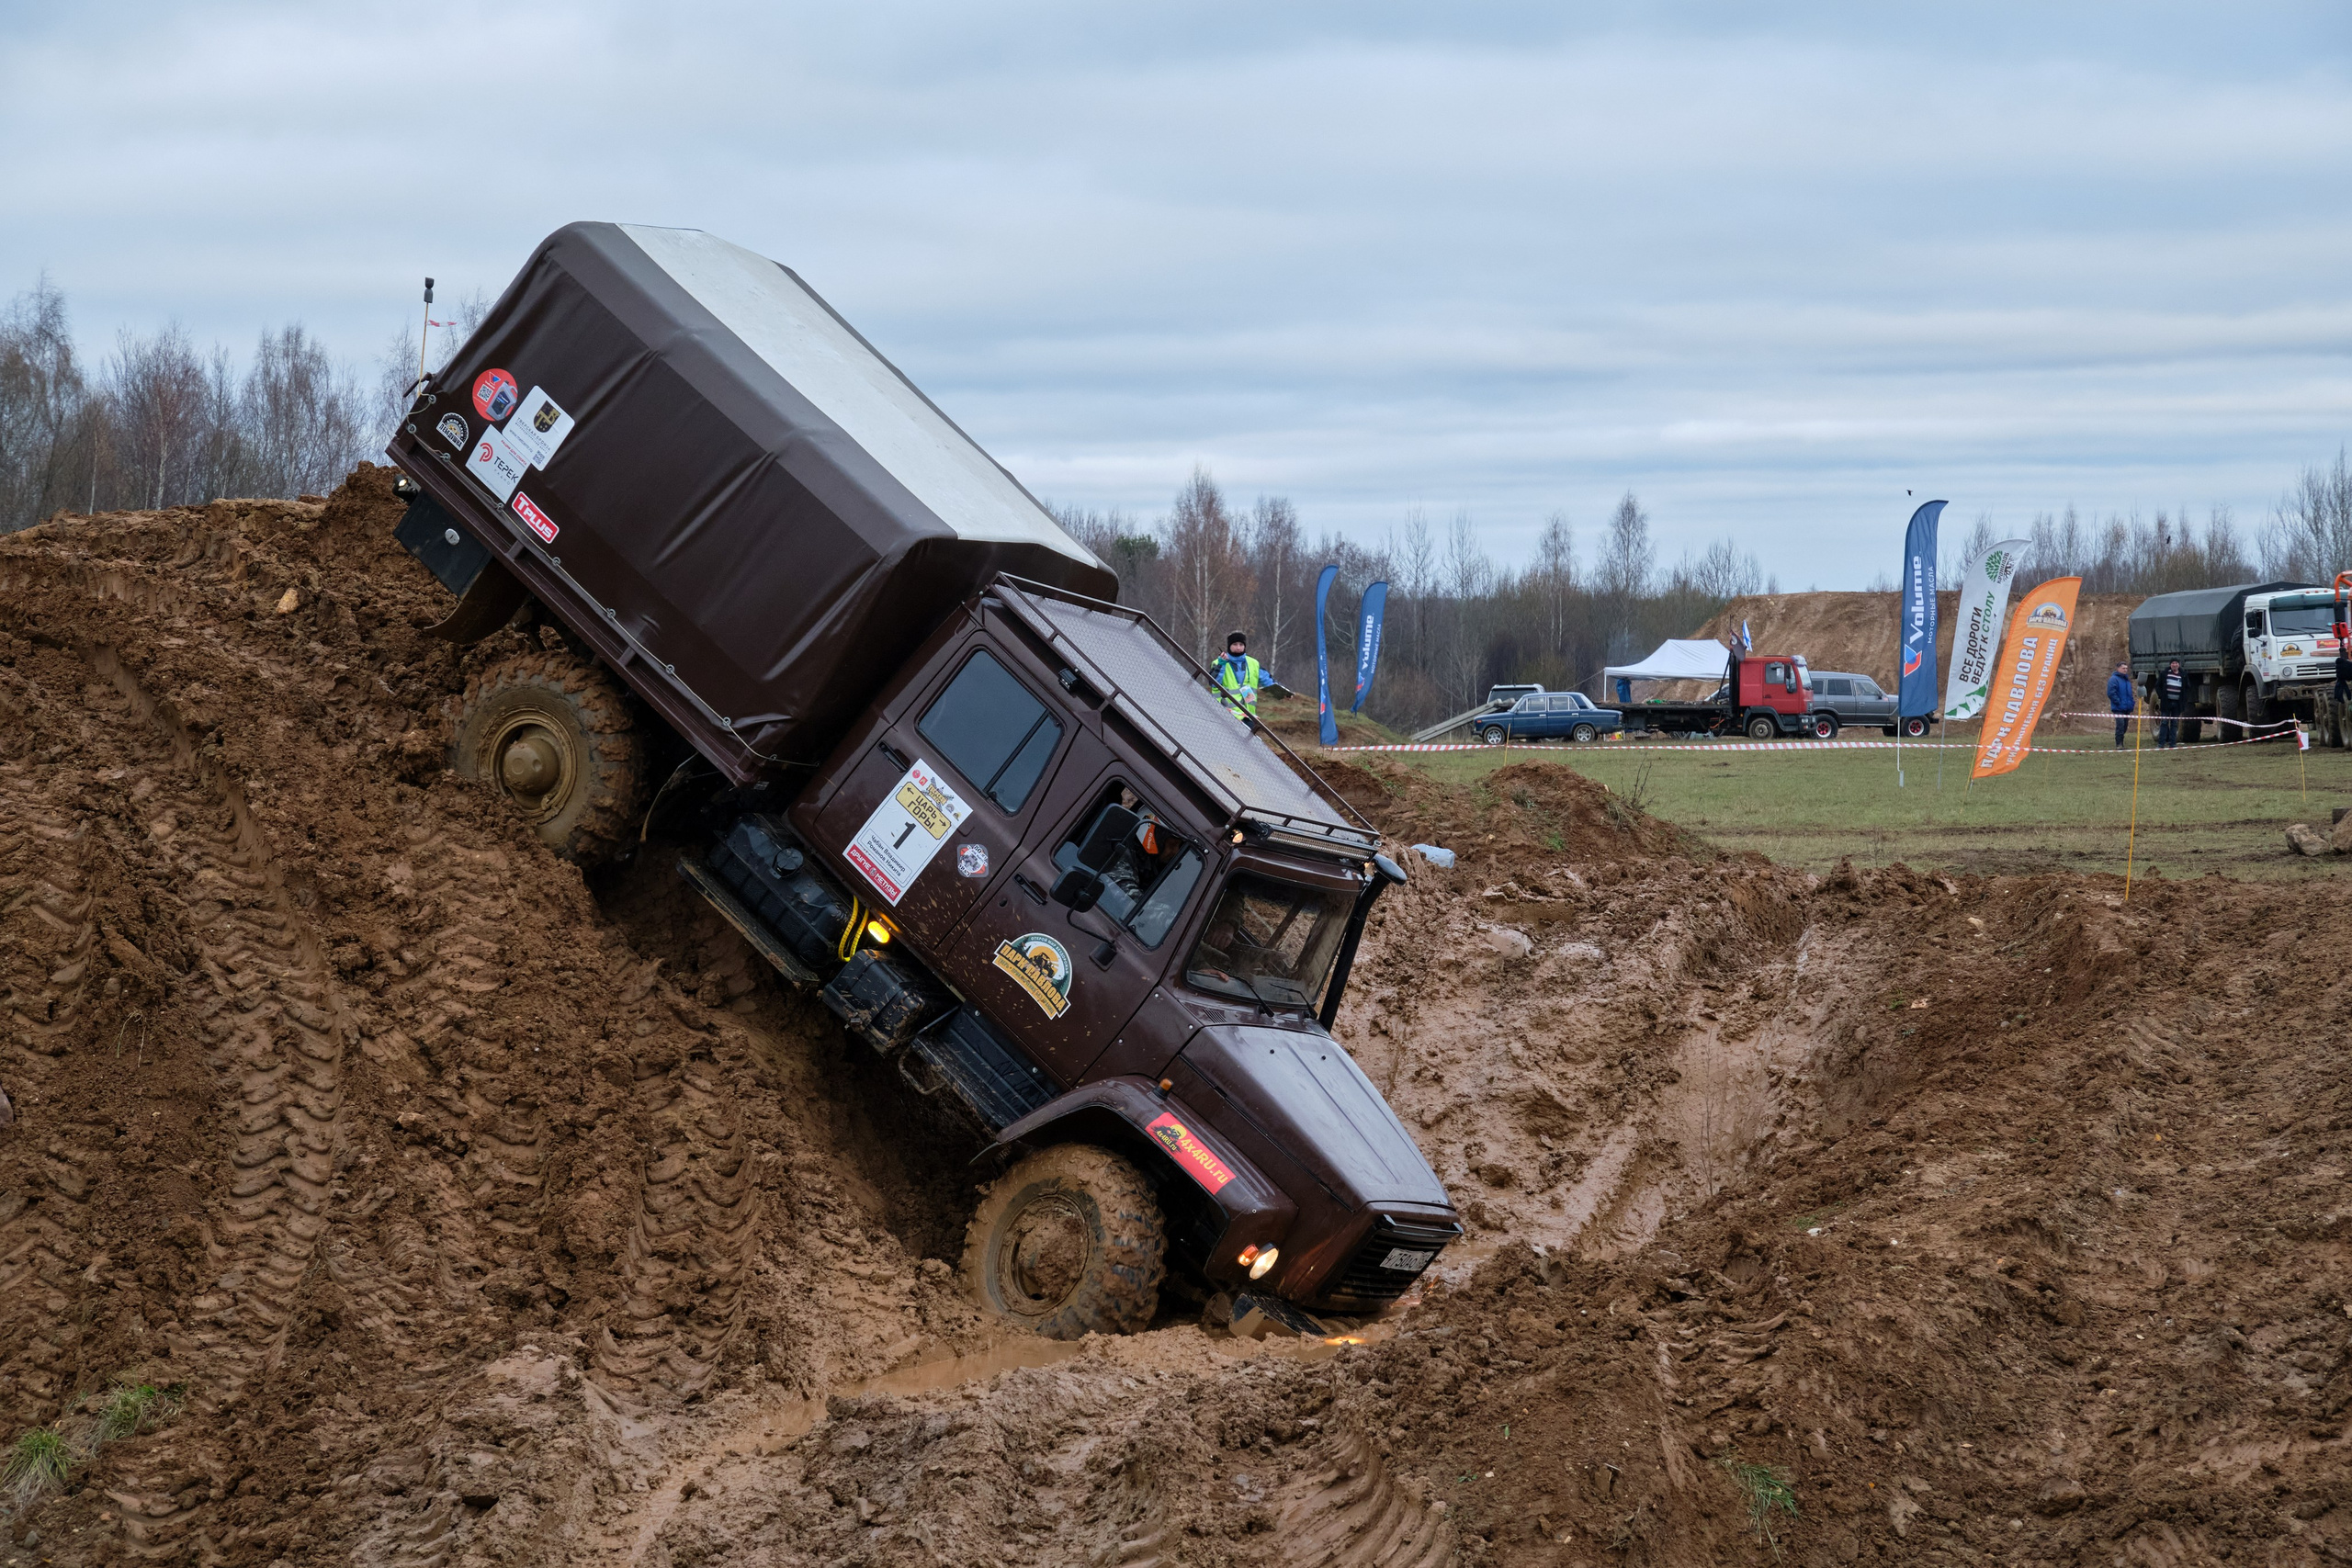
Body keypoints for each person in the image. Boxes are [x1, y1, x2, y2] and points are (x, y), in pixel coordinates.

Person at [1212, 631, 1273, 720]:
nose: (1238, 647)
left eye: (1241, 644)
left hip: (1248, 715)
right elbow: (1213, 683)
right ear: (1229, 646)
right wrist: (1222, 665)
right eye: (1235, 644)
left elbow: (1268, 682)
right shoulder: (1218, 663)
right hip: (1225, 714)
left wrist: (1283, 694)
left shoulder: (1254, 663)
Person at [2155, 659, 2188, 749]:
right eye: (2173, 663)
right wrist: (2162, 696)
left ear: (2179, 665)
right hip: (2166, 703)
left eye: (2176, 663)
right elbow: (2157, 686)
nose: (2175, 665)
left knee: (2174, 724)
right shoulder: (2164, 674)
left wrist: (2184, 699)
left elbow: (2187, 687)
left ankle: (2172, 743)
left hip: (2177, 704)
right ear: (2170, 665)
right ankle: (2161, 743)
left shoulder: (2183, 675)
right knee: (2164, 723)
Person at [2107, 661, 2136, 749]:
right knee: (2120, 725)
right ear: (2118, 668)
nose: (2125, 670)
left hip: (2127, 708)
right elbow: (2111, 693)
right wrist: (2118, 702)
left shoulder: (2127, 680)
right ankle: (2119, 744)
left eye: (2126, 668)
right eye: (2123, 668)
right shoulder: (2113, 679)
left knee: (2125, 726)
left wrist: (2132, 703)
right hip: (2118, 708)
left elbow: (2130, 694)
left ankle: (2121, 743)